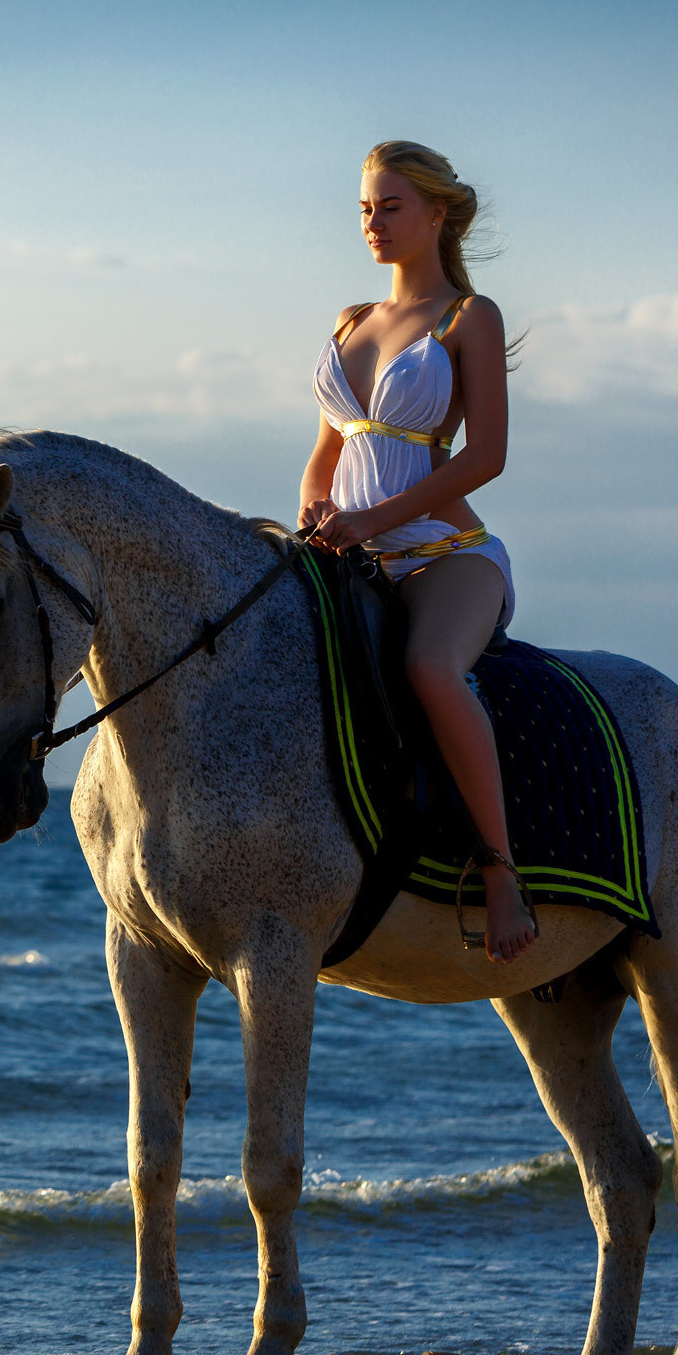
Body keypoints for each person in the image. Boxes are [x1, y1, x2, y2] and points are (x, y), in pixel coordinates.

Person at [296, 140, 536, 965]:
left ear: (437, 213)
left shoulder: (470, 317)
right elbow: (326, 456)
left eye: (390, 206)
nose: (373, 222)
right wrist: (315, 515)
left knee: (430, 669)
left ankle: (499, 870)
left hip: (446, 554)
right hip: (349, 553)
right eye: (365, 208)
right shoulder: (350, 321)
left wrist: (373, 522)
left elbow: (485, 458)